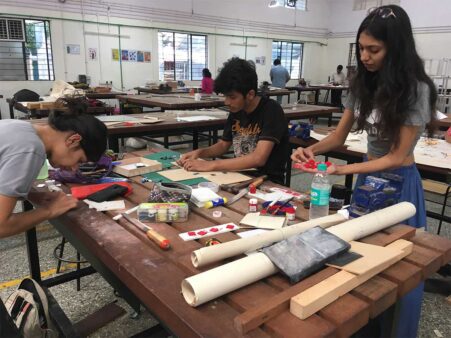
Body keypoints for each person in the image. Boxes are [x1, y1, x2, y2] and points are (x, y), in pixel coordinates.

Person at [291, 5, 436, 338]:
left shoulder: (415, 90)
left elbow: (398, 157)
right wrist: (310, 150)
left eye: (374, 49)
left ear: (395, 49)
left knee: (398, 270)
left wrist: (344, 169)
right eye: (361, 48)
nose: (365, 57)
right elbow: (339, 136)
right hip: (369, 184)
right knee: (360, 261)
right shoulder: (363, 84)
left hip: (400, 189)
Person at [0, 96, 107, 334]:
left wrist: (31, 193)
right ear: (73, 139)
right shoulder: (31, 149)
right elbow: (1, 226)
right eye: (79, 160)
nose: (73, 169)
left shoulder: (23, 128)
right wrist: (48, 211)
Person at [178, 57, 289, 184]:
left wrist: (212, 165)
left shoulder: (271, 110)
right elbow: (223, 145)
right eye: (226, 96)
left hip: (266, 182)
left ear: (250, 94)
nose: (227, 102)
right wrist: (200, 152)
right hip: (238, 176)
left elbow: (258, 158)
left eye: (232, 97)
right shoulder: (237, 110)